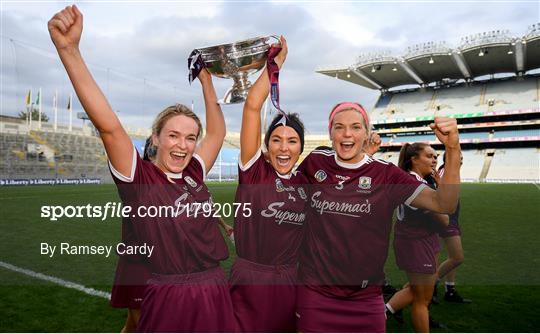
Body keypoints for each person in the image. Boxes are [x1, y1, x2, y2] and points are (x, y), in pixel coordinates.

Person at [48, 5, 234, 332]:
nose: (183, 145)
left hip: (214, 286)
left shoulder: (193, 172)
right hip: (169, 293)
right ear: (156, 138)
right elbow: (109, 127)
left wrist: (206, 81)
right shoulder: (140, 179)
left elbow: (217, 132)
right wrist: (69, 50)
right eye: (173, 135)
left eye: (190, 138)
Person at [295, 102, 461, 332]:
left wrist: (452, 149)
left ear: (366, 133)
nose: (347, 134)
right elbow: (287, 195)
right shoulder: (315, 161)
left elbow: (445, 204)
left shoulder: (386, 174)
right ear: (330, 132)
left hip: (366, 298)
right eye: (339, 127)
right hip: (315, 295)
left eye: (355, 127)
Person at [229, 36, 309, 332]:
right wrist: (275, 66)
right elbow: (252, 106)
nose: (284, 148)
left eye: (292, 141)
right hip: (250, 282)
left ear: (301, 147)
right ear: (266, 146)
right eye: (276, 140)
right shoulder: (254, 172)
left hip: (290, 281)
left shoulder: (305, 183)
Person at [384, 143, 449, 332]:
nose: (435, 159)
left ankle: (386, 310)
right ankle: (379, 313)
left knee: (416, 290)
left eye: (436, 156)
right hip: (416, 243)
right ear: (414, 159)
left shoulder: (416, 180)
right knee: (422, 300)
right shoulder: (415, 185)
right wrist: (441, 193)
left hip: (419, 241)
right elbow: (444, 219)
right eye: (429, 156)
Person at [433, 152, 471, 304]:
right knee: (457, 257)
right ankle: (431, 283)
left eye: (462, 159)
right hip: (446, 219)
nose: (461, 161)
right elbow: (439, 193)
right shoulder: (445, 171)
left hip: (452, 217)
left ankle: (450, 290)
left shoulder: (450, 171)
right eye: (458, 158)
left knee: (450, 257)